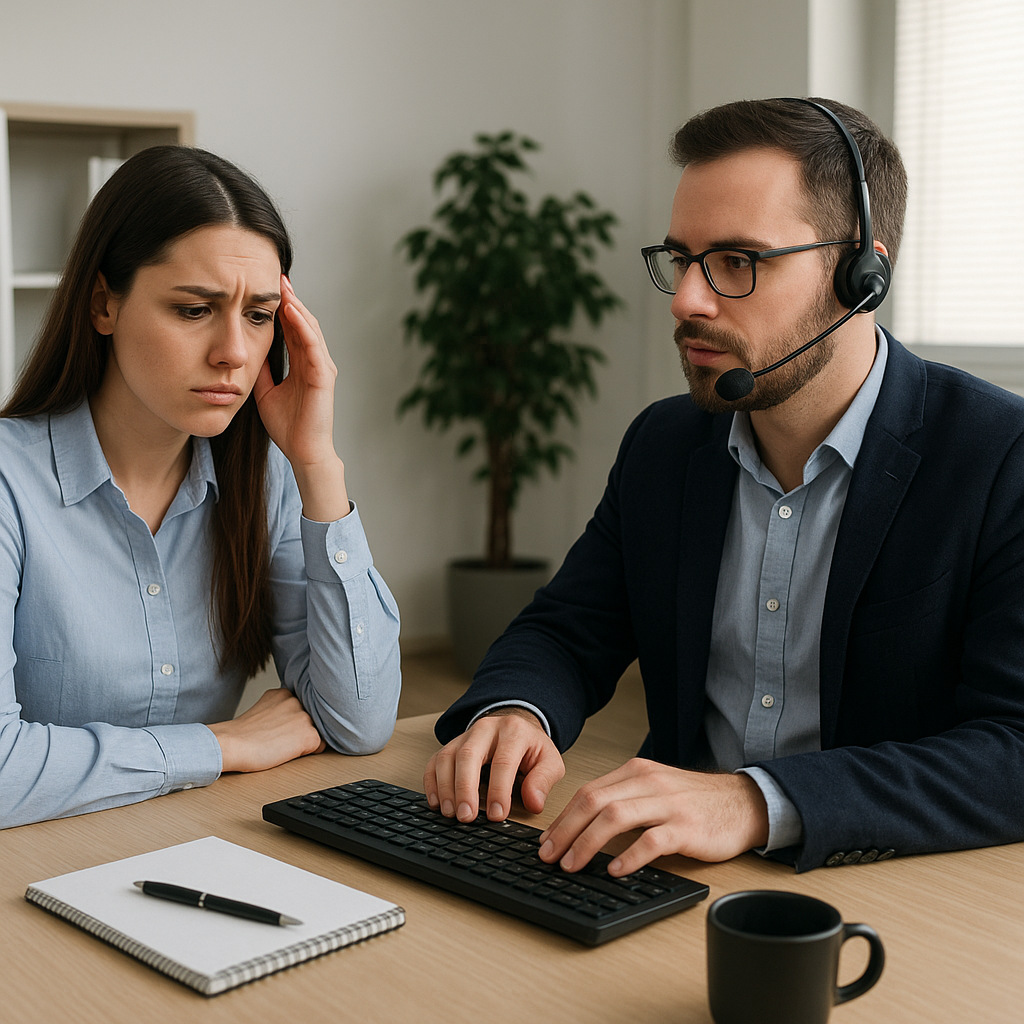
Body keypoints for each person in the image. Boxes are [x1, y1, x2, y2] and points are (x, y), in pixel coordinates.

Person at [424, 97, 1024, 874]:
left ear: (861, 275)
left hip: (890, 887)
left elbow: (1013, 748)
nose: (686, 301)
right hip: (664, 872)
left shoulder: (999, 455)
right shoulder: (664, 444)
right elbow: (567, 629)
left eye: (738, 261)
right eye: (682, 259)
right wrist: (517, 709)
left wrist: (755, 799)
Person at [0, 146, 401, 829]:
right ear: (104, 303)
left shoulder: (265, 476)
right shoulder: (12, 485)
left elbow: (356, 721)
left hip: (193, 848)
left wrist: (316, 464)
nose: (235, 354)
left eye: (258, 315)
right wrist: (223, 744)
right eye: (194, 310)